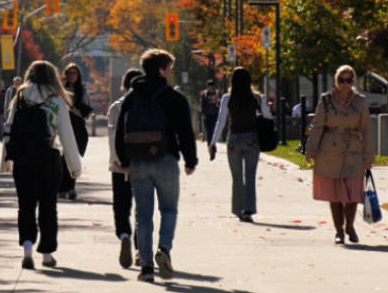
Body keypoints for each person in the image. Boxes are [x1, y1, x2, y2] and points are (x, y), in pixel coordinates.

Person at [115, 49, 198, 283]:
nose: (170, 73)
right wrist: (190, 161)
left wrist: (124, 161)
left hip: (139, 162)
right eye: (169, 69)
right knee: (169, 210)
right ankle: (164, 249)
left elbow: (121, 130)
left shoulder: (132, 97)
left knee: (143, 215)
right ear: (162, 70)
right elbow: (185, 133)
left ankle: (147, 267)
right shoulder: (174, 97)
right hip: (167, 160)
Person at [1, 61, 82, 269]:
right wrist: (74, 166)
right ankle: (46, 254)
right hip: (50, 157)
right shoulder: (57, 99)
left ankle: (27, 247)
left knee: (25, 205)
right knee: (48, 206)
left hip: (22, 158)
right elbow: (66, 135)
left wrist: (6, 160)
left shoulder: (20, 96)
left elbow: (9, 128)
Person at [305, 65, 373, 244]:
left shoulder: (361, 102)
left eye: (349, 80)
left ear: (353, 82)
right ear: (336, 81)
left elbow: (366, 130)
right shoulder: (326, 100)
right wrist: (311, 149)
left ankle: (350, 225)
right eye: (342, 80)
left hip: (353, 151)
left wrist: (369, 156)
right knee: (334, 194)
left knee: (352, 193)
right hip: (330, 151)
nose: (345, 84)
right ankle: (339, 230)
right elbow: (317, 126)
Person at [208, 67, 272, 223]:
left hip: (234, 140)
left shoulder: (227, 99)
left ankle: (237, 209)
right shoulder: (256, 98)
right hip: (252, 139)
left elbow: (221, 121)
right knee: (250, 175)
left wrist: (213, 142)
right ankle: (248, 210)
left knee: (236, 177)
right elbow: (268, 116)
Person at [107, 68, 143, 268]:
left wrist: (118, 162)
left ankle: (123, 236)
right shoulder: (146, 105)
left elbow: (112, 138)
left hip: (119, 166)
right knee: (142, 207)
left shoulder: (115, 108)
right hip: (142, 164)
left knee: (120, 206)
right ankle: (140, 249)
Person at [59, 63, 92, 200]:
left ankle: (71, 187)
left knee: (73, 157)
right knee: (61, 159)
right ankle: (62, 188)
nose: (71, 76)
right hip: (62, 126)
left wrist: (73, 107)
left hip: (76, 126)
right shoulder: (60, 90)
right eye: (69, 73)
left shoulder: (82, 91)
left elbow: (86, 111)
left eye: (74, 73)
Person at [201, 79, 221, 146]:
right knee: (208, 131)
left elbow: (221, 103)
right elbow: (202, 105)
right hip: (207, 116)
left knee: (213, 130)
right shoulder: (205, 94)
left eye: (212, 88)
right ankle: (209, 145)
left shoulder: (217, 93)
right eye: (209, 88)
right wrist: (203, 114)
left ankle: (213, 145)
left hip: (215, 115)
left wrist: (217, 102)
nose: (211, 90)